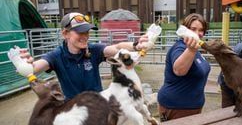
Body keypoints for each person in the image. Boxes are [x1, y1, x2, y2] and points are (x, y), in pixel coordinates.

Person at [21, 12, 149, 100]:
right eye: (79, 32)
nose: (85, 36)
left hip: (97, 105)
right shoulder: (56, 56)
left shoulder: (94, 50)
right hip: (74, 110)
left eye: (86, 31)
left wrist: (136, 45)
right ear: (65, 33)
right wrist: (25, 64)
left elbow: (116, 48)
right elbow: (35, 67)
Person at [157, 13, 211, 121]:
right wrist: (191, 50)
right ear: (185, 30)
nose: (197, 33)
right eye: (193, 29)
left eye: (201, 30)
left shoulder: (195, 48)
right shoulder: (179, 48)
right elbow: (179, 70)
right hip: (177, 107)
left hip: (193, 107)